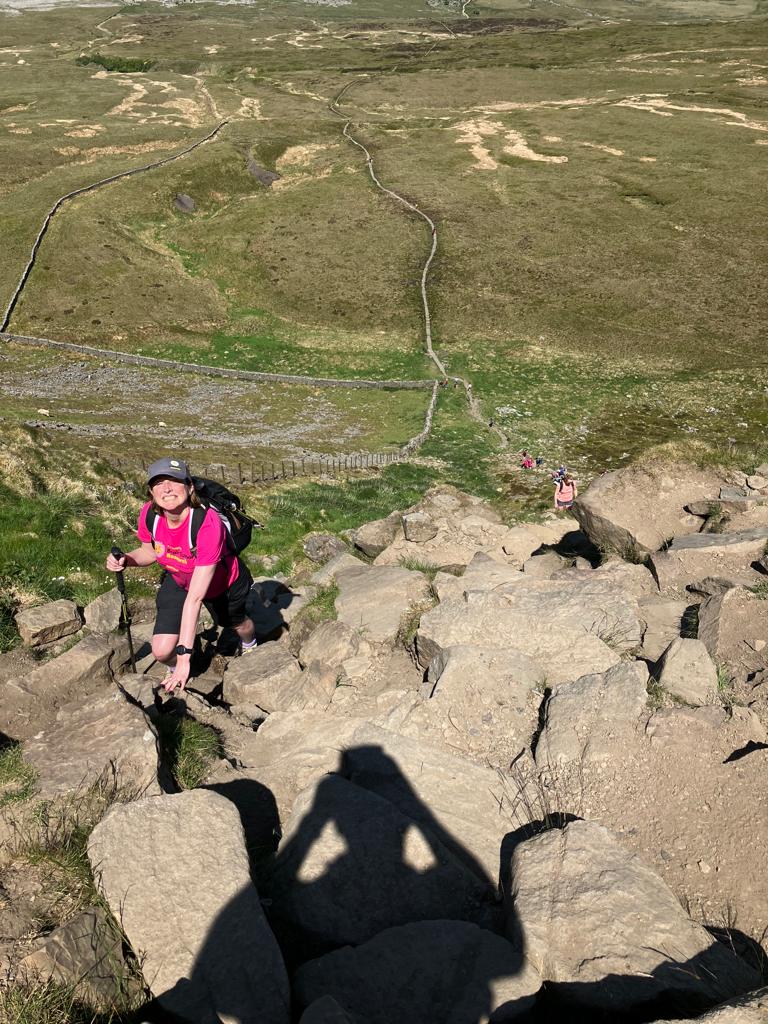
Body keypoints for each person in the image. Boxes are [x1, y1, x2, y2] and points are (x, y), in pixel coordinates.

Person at [106, 457, 256, 693]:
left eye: (174, 481)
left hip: (222, 584)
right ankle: (179, 669)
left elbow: (195, 599)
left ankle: (250, 644)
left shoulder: (206, 523)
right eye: (158, 483)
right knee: (162, 651)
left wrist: (184, 655)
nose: (166, 488)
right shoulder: (150, 515)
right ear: (151, 491)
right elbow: (149, 552)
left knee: (238, 624)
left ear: (189, 486)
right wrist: (127, 559)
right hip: (178, 579)